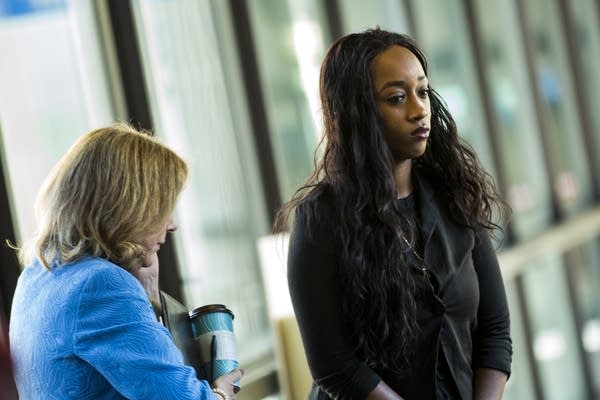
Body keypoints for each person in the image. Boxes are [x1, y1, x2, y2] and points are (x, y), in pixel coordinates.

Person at [275, 29, 512, 399]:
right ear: (357, 111)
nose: (419, 110)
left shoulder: (453, 195)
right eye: (397, 98)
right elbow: (334, 367)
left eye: (422, 91)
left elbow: (495, 331)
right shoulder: (320, 219)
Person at [9, 123, 242, 400]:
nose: (171, 225)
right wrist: (222, 393)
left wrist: (151, 299)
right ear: (132, 209)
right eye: (163, 209)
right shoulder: (102, 283)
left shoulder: (37, 273)